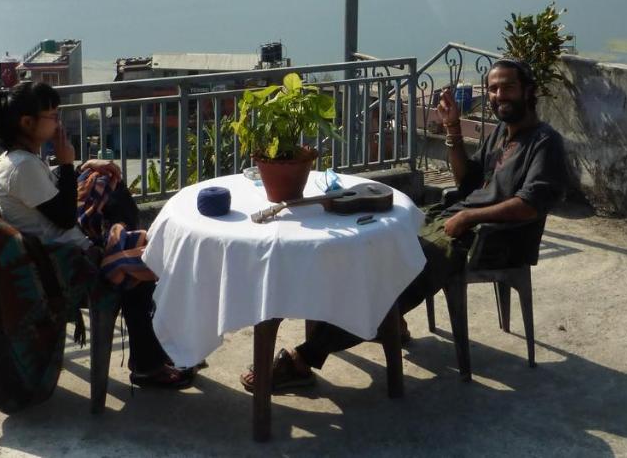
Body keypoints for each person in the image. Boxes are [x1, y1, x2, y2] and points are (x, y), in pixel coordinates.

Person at [241, 58, 569, 391]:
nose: (499, 95)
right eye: (494, 89)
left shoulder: (545, 143)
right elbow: (468, 181)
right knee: (375, 251)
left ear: (529, 91)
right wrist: (453, 129)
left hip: (488, 238)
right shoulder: (501, 132)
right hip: (454, 219)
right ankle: (390, 323)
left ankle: (304, 358)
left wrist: (469, 216)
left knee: (386, 283)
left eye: (508, 87)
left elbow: (530, 206)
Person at [0, 81, 194, 390]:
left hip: (62, 242)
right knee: (144, 269)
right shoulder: (22, 168)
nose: (57, 122)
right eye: (52, 116)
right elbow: (63, 215)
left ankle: (122, 238)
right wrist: (68, 161)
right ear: (27, 123)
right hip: (67, 260)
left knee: (104, 181)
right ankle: (147, 365)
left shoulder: (22, 161)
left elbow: (51, 193)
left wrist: (82, 165)